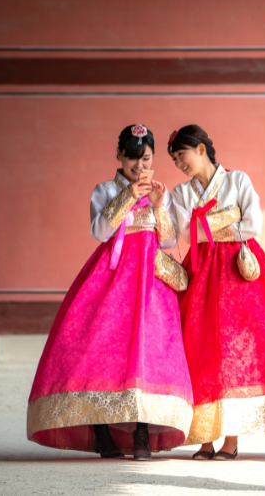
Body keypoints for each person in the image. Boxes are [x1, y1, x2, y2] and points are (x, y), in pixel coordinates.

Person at [27, 124, 194, 461]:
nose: (139, 166)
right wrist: (129, 195)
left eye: (145, 159)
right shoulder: (104, 190)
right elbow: (100, 230)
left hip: (150, 282)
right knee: (101, 350)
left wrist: (160, 205)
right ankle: (102, 431)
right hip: (111, 278)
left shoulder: (161, 191)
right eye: (132, 159)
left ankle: (142, 432)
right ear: (119, 156)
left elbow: (170, 241)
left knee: (149, 353)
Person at [168, 124, 265, 460]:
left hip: (238, 274)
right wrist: (227, 219)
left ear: (202, 149)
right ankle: (204, 439)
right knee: (200, 349)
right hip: (201, 273)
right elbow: (184, 232)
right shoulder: (181, 193)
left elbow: (252, 224)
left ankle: (231, 441)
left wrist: (205, 225)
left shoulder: (238, 181)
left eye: (182, 155)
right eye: (175, 159)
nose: (179, 163)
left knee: (234, 355)